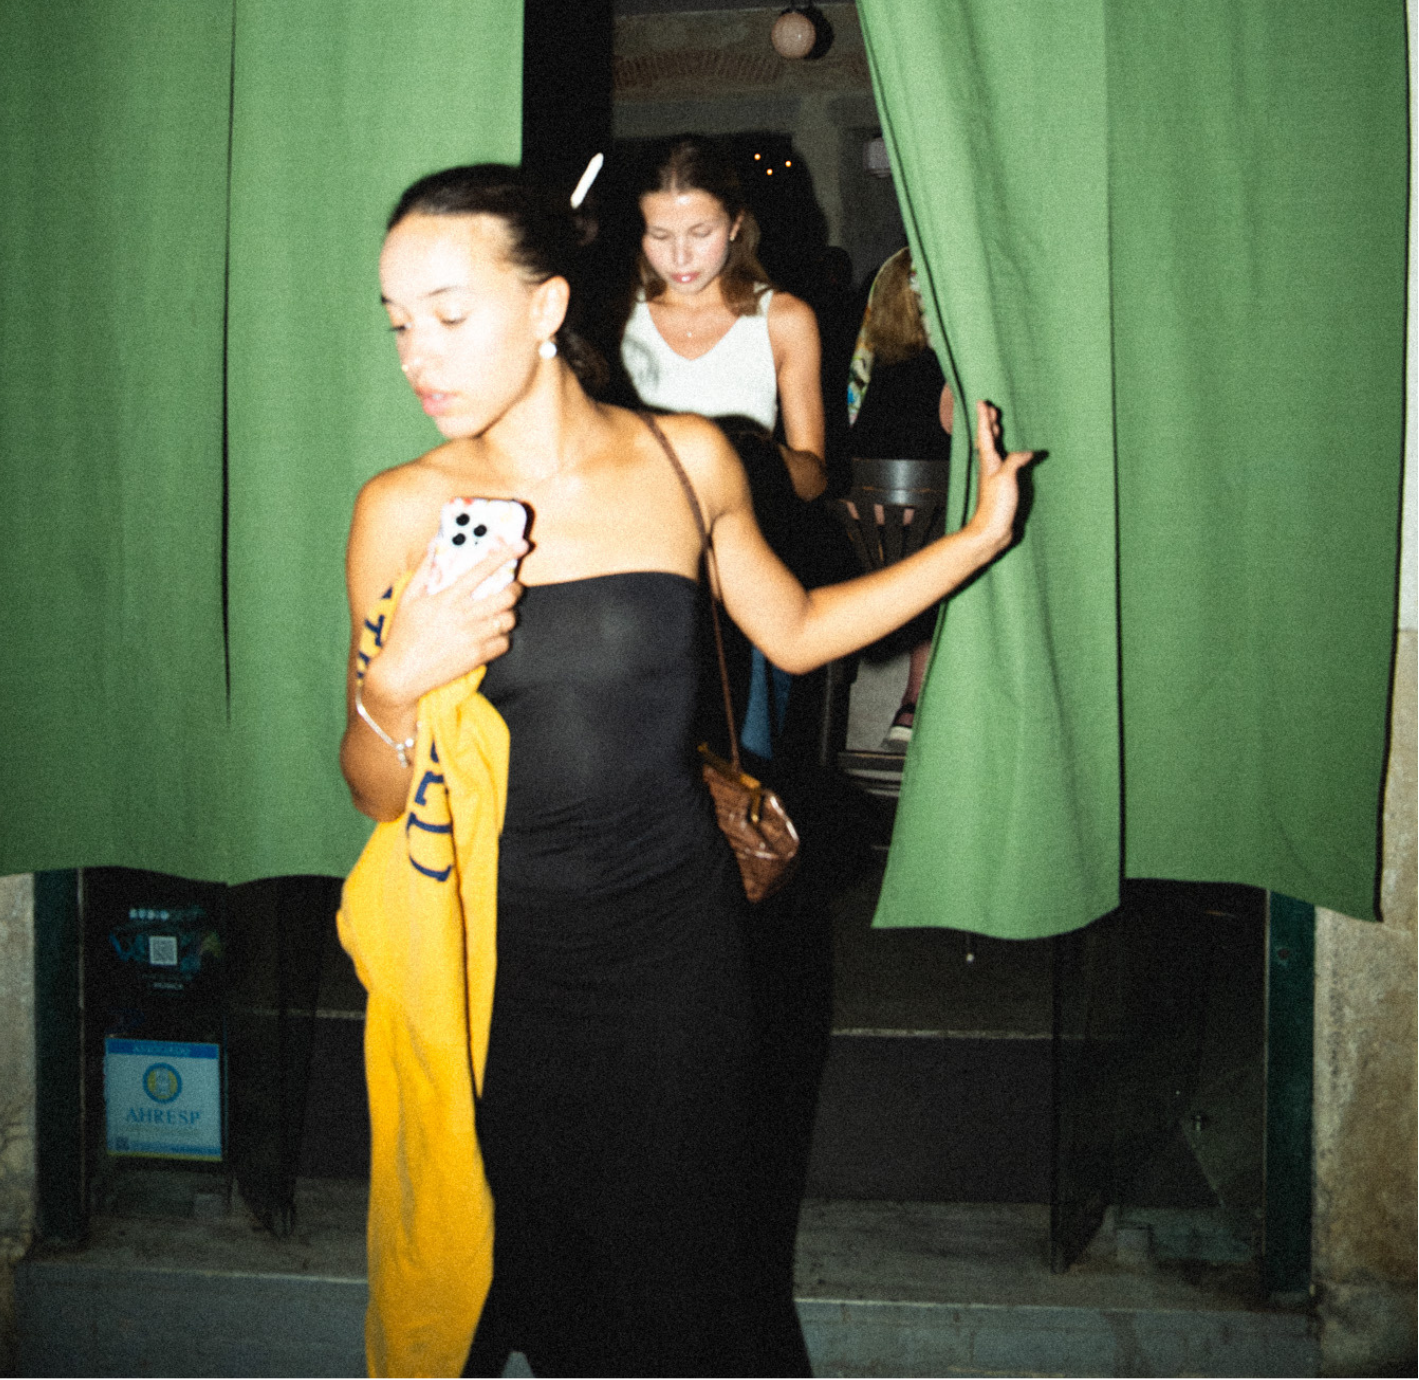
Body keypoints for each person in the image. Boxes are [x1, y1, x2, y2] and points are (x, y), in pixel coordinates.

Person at [340, 163, 1030, 1378]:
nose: (416, 356)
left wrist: (976, 538)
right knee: (547, 1271)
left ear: (548, 306)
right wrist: (393, 688)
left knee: (694, 1270)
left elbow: (797, 629)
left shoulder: (686, 461)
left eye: (446, 315)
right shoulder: (402, 506)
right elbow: (375, 792)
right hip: (500, 956)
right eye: (398, 322)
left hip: (676, 944)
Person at [620, 135, 826, 761]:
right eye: (659, 235)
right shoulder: (611, 315)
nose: (680, 257)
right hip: (632, 566)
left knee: (742, 763)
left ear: (736, 224)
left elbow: (814, 474)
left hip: (742, 566)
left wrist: (745, 452)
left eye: (700, 232)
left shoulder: (783, 319)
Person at [846, 246, 956, 750]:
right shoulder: (951, 374)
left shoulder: (869, 371)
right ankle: (915, 699)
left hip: (857, 543)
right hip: (916, 546)